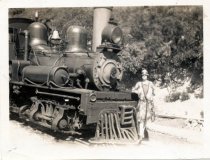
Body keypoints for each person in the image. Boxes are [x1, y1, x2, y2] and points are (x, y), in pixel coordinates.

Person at [132, 69, 155, 143]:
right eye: (142, 75)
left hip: (148, 104)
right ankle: (140, 136)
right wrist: (139, 93)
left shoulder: (150, 84)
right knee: (140, 120)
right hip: (141, 104)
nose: (144, 76)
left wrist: (151, 102)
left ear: (147, 76)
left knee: (146, 120)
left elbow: (153, 93)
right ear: (141, 76)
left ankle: (142, 135)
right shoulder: (139, 84)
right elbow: (133, 90)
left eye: (145, 75)